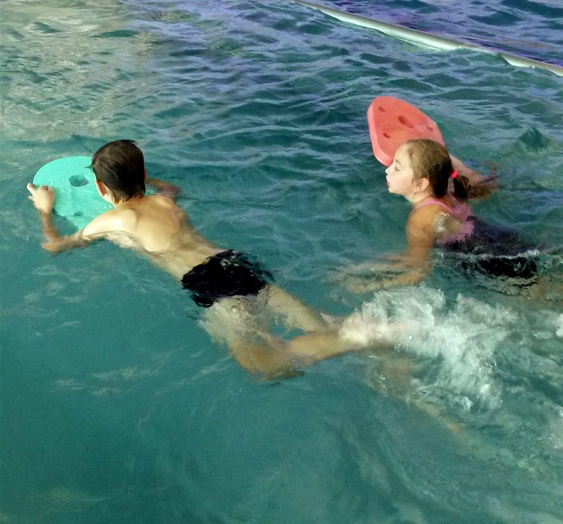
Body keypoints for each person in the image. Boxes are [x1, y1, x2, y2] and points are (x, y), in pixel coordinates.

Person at [27, 140, 398, 378]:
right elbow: (171, 187)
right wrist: (147, 180)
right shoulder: (163, 200)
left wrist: (44, 210)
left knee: (261, 365)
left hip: (206, 280)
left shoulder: (112, 220)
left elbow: (56, 245)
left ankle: (355, 338)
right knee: (314, 322)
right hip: (233, 260)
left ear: (100, 187)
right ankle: (381, 344)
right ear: (143, 175)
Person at [340, 139, 539, 292]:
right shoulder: (450, 192)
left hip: (484, 260)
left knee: (536, 294)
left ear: (421, 184)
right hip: (500, 238)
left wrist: (370, 285)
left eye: (397, 168)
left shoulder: (420, 218)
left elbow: (418, 270)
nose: (387, 170)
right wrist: (366, 267)